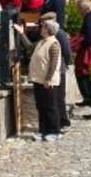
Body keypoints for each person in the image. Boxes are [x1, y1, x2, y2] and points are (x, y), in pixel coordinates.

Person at [28, 12, 66, 141]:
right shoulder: (41, 42)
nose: (41, 28)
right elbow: (29, 47)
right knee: (41, 106)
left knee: (50, 106)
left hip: (48, 80)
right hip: (38, 79)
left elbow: (54, 63)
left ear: (48, 30)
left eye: (43, 27)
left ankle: (54, 131)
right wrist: (21, 33)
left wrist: (48, 78)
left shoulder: (53, 43)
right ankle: (43, 130)